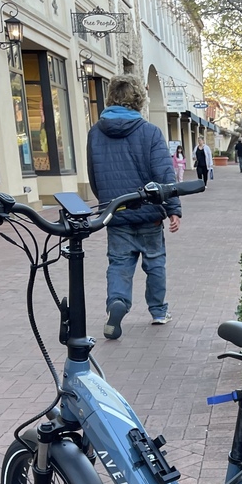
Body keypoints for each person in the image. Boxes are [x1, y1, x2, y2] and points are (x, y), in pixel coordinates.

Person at [86, 74, 181, 339]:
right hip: (149, 214)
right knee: (155, 263)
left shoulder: (95, 132)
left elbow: (94, 175)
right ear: (139, 98)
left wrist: (109, 203)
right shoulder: (150, 132)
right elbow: (164, 174)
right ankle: (158, 311)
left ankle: (117, 303)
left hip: (117, 214)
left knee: (119, 264)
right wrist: (173, 208)